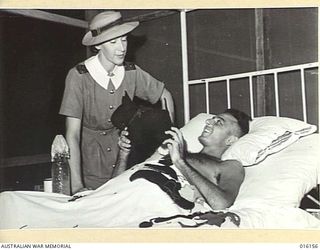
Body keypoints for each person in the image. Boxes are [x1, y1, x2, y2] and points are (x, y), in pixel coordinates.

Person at [59, 11, 175, 194]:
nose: (121, 48)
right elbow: (72, 134)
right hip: (89, 168)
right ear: (97, 46)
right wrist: (77, 185)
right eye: (113, 42)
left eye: (124, 39)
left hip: (126, 162)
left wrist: (167, 137)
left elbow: (165, 95)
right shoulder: (79, 76)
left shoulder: (131, 71)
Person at [117, 108, 251, 210]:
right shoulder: (178, 152)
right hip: (122, 197)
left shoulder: (229, 166)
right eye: (211, 119)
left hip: (148, 204)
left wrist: (180, 162)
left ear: (231, 139)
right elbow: (114, 185)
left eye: (218, 122)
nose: (209, 122)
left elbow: (221, 204)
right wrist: (123, 155)